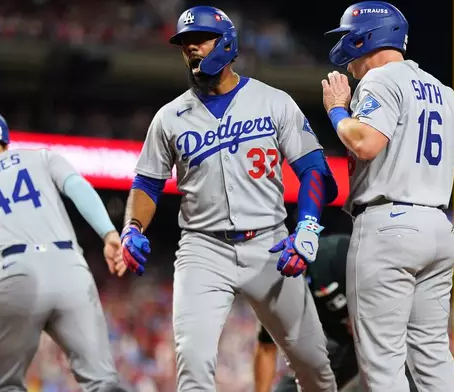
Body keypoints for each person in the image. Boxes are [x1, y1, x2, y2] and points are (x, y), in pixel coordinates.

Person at [118, 5, 340, 392]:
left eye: (198, 40)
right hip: (203, 249)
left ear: (226, 43)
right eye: (184, 43)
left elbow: (315, 170)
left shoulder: (273, 101)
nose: (190, 48)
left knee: (315, 365)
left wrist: (306, 225)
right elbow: (148, 184)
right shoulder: (170, 117)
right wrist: (132, 227)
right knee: (194, 366)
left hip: (269, 243)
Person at [321, 2, 454, 391]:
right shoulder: (445, 93)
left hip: (387, 228)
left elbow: (364, 144)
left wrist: (336, 111)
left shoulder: (380, 80)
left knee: (383, 364)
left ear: (368, 37)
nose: (346, 51)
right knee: (433, 358)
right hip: (439, 229)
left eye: (349, 37)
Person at [0, 110, 129, 392]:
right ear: (3, 143)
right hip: (70, 269)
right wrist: (109, 233)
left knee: (7, 385)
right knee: (103, 382)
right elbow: (77, 187)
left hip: (13, 276)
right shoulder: (38, 156)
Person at [254, 234, 418, 392]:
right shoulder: (275, 297)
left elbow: (388, 281)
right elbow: (266, 349)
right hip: (340, 338)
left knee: (404, 376)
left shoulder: (336, 255)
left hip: (386, 328)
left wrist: (368, 318)